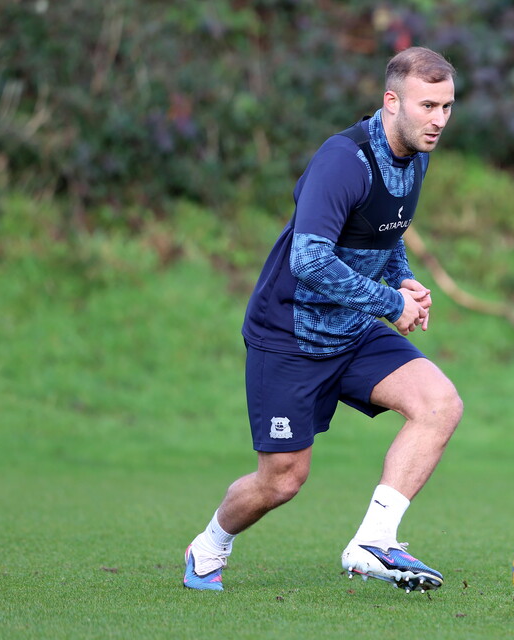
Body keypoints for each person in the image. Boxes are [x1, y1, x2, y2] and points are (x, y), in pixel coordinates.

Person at [182, 47, 462, 593]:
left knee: (440, 404)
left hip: (351, 330)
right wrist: (390, 303)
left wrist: (403, 279)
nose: (439, 120)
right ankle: (209, 545)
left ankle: (373, 542)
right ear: (391, 101)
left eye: (447, 107)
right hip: (290, 334)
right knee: (282, 481)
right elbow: (308, 261)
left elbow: (385, 232)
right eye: (427, 106)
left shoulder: (416, 156)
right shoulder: (343, 161)